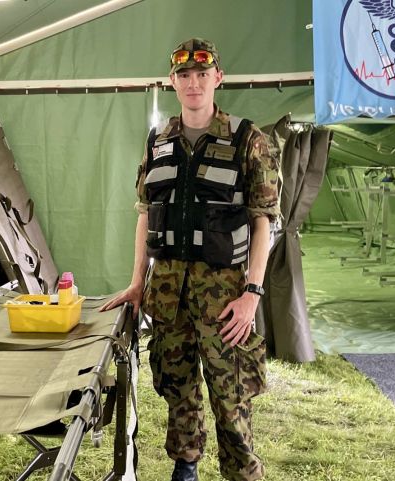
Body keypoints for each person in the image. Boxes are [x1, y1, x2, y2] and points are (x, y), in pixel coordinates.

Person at [101, 38, 281, 481]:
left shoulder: (247, 139)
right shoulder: (158, 141)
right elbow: (145, 214)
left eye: (202, 74)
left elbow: (265, 221)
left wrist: (253, 295)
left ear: (217, 78)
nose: (193, 83)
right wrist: (137, 281)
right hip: (167, 295)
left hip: (226, 298)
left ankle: (242, 474)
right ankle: (186, 468)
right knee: (178, 393)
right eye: (184, 75)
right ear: (172, 82)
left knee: (230, 399)